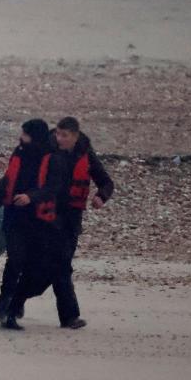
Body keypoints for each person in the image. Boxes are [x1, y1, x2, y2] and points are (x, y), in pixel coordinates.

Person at [0, 118, 69, 330]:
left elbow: (53, 187)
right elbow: (6, 183)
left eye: (24, 134)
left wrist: (31, 196)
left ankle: (15, 304)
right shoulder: (19, 152)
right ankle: (5, 304)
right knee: (16, 260)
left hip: (39, 219)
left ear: (34, 136)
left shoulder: (53, 159)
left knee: (33, 266)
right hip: (15, 216)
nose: (21, 137)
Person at [49, 116, 114, 329]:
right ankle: (14, 305)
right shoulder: (46, 149)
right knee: (50, 268)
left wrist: (101, 197)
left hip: (71, 219)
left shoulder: (85, 152)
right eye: (57, 134)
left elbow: (106, 182)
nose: (59, 139)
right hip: (47, 217)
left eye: (64, 135)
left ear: (75, 136)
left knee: (61, 266)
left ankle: (69, 316)